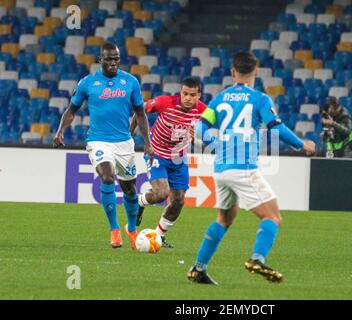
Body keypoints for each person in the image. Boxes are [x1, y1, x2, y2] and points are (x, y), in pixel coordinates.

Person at [187, 51, 316, 285]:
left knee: (225, 218)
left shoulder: (219, 99)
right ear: (256, 71)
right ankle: (257, 259)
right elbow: (275, 127)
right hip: (243, 168)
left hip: (221, 169)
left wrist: (216, 145)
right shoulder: (260, 99)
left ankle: (198, 268)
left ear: (232, 72)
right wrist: (301, 144)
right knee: (273, 217)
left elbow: (199, 129)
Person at [53, 43, 152, 250]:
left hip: (124, 143)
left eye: (116, 58)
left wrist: (148, 144)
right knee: (107, 176)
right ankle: (114, 230)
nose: (113, 62)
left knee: (130, 189)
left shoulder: (130, 82)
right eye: (109, 59)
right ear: (101, 60)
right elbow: (71, 110)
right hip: (98, 141)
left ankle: (131, 230)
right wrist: (60, 130)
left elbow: (141, 113)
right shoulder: (88, 83)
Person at [130, 77, 207, 248]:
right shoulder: (165, 102)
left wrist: (198, 140)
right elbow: (139, 110)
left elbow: (203, 143)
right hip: (157, 154)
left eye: (192, 95)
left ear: (199, 95)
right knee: (162, 193)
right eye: (185, 93)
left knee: (178, 200)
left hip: (179, 159)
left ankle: (158, 236)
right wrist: (130, 137)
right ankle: (140, 200)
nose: (187, 98)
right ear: (180, 92)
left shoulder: (203, 111)